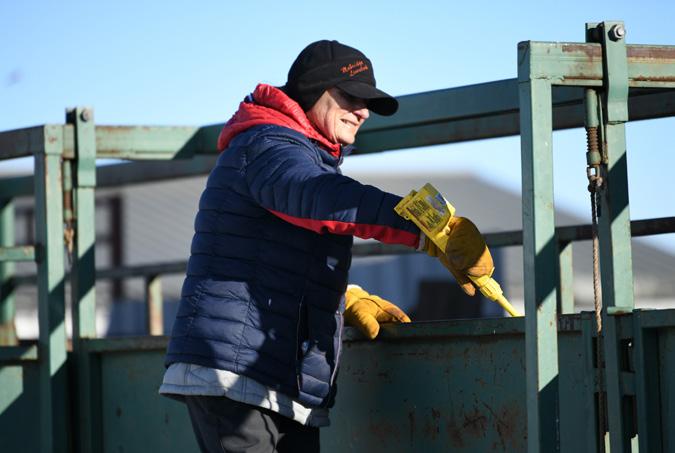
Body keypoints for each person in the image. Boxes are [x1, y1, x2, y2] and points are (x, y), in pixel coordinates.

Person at [160, 40, 493, 453]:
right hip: (237, 373)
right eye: (351, 97)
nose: (363, 111)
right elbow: (317, 196)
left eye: (368, 103)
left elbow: (271, 256)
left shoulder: (292, 153)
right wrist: (428, 227)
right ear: (313, 90)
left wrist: (341, 299)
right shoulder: (268, 144)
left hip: (273, 378)